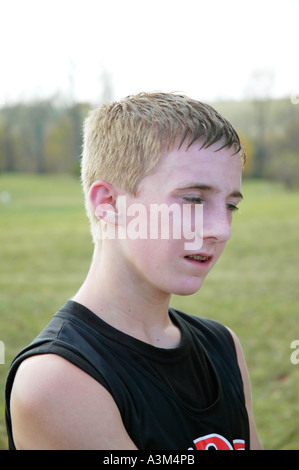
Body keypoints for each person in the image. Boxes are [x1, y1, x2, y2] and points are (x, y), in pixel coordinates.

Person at [5, 92, 262, 450]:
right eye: (193, 199)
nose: (222, 229)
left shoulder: (223, 346)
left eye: (231, 205)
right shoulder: (59, 379)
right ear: (109, 204)